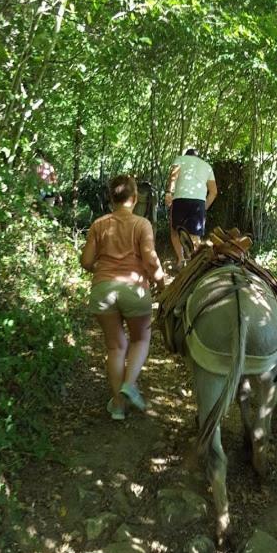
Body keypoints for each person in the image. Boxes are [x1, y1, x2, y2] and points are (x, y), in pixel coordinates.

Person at [80, 175, 165, 421]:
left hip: (103, 290)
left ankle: (118, 405)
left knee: (115, 346)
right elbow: (150, 260)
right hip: (134, 289)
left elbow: (86, 261)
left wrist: (102, 272)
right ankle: (129, 383)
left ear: (111, 198)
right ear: (135, 198)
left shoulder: (99, 224)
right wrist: (160, 283)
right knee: (141, 338)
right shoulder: (142, 224)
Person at [164, 148, 217, 268]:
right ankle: (193, 262)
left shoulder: (180, 159)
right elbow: (213, 191)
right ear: (197, 157)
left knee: (175, 231)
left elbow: (174, 175)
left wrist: (168, 192)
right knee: (195, 235)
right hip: (199, 202)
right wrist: (204, 207)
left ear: (186, 155)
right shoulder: (206, 166)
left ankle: (181, 259)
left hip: (180, 199)